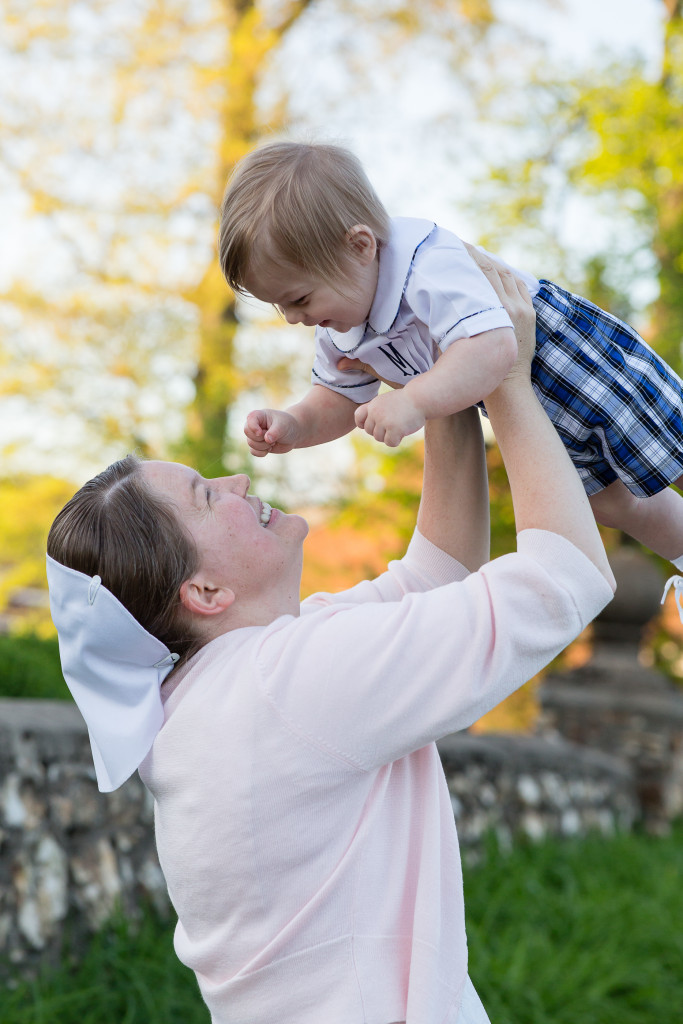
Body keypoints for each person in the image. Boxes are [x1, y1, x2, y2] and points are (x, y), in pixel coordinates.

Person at [46, 262, 615, 1024]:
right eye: (208, 497)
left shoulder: (227, 683)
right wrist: (504, 370)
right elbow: (565, 575)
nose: (238, 482)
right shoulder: (283, 684)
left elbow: (435, 573)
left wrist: (437, 383)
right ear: (204, 594)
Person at [219, 139, 683, 574]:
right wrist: (296, 424)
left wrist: (413, 400)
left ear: (360, 247)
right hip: (521, 407)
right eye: (279, 305)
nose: (292, 318)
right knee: (611, 504)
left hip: (566, 360)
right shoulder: (339, 322)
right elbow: (337, 397)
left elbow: (496, 347)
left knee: (666, 444)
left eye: (299, 299)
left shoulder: (426, 264)